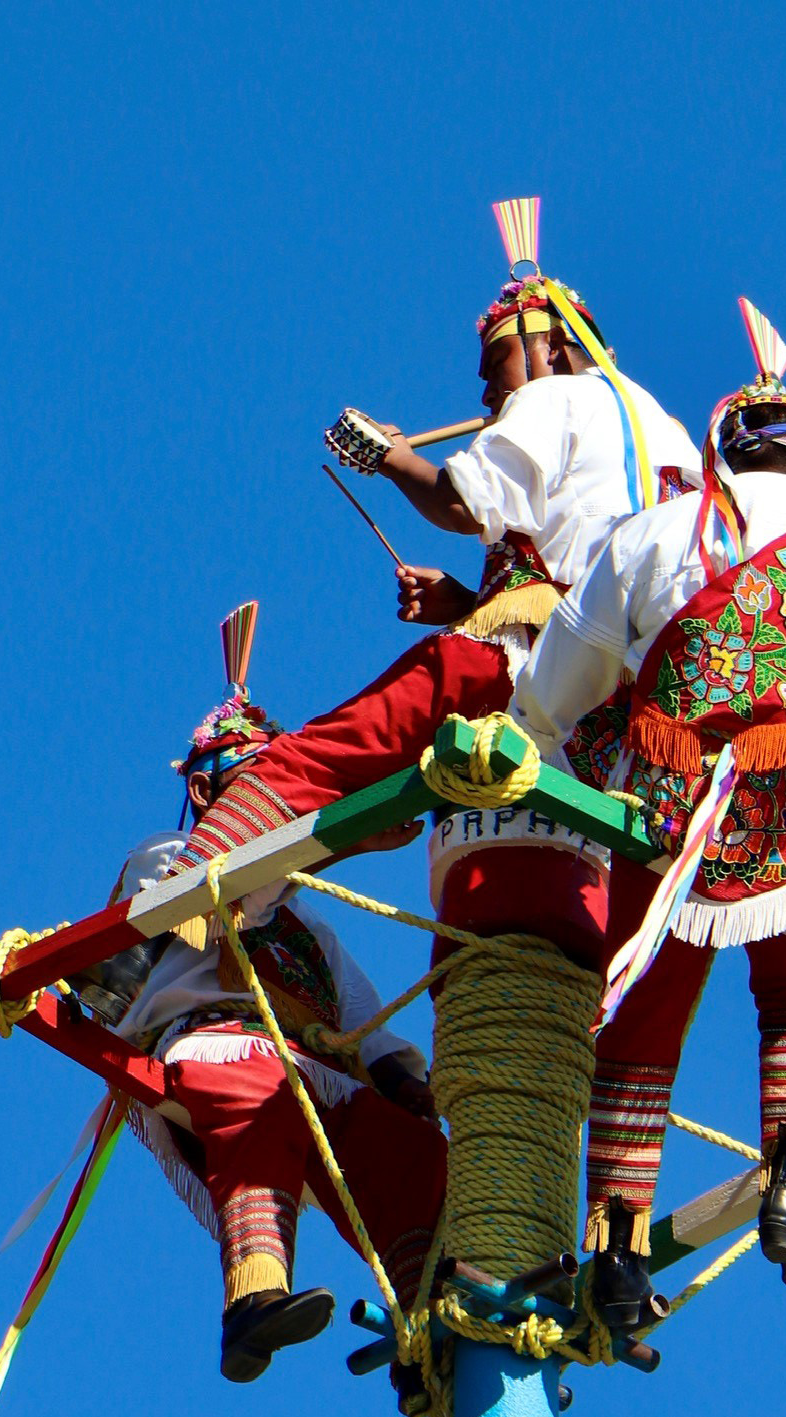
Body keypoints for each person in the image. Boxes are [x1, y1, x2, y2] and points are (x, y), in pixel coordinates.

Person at [509, 300, 786, 1312]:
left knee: (642, 1012)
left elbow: (561, 679)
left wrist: (548, 748)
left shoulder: (657, 532)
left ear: (722, 453)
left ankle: (614, 1247)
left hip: (666, 802)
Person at [176, 199, 699, 967]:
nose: (487, 395)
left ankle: (189, 890)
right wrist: (467, 602)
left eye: (496, 367)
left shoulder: (553, 397)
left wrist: (387, 457)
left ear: (552, 348)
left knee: (321, 754)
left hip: (517, 670)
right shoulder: (672, 435)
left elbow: (459, 503)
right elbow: (590, 563)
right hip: (622, 710)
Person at [83, 606, 446, 1383]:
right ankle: (252, 1299)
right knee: (264, 1088)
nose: (282, 802)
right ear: (207, 787)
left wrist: (406, 1083)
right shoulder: (167, 859)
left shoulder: (308, 922)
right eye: (262, 784)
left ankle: (433, 1317)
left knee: (407, 1148)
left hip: (306, 1068)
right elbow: (226, 897)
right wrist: (343, 838)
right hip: (207, 1051)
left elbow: (360, 1019)